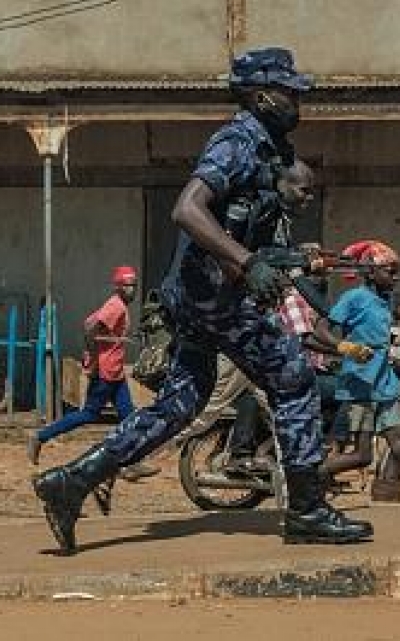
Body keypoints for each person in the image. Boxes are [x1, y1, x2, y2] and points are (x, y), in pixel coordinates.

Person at [31, 47, 373, 553]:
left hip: (201, 295)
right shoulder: (236, 141)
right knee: (295, 378)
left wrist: (280, 258)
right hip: (214, 295)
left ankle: (73, 481)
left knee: (182, 403)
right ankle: (305, 509)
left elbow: (245, 225)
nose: (298, 99)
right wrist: (248, 262)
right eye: (289, 91)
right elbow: (187, 210)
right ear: (262, 96)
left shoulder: (271, 150)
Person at [316, 241, 400, 502]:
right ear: (371, 272)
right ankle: (314, 476)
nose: (395, 276)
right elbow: (321, 331)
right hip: (360, 384)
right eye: (389, 271)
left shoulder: (387, 300)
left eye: (396, 271)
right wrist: (345, 346)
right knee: (363, 456)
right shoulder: (354, 298)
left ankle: (387, 502)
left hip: (385, 383)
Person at [27, 267, 140, 463]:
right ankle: (41, 436)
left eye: (134, 285)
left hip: (115, 371)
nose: (132, 290)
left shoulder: (118, 304)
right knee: (89, 413)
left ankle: (129, 462)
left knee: (128, 416)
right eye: (127, 285)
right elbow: (90, 332)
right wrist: (94, 362)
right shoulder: (116, 306)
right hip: (105, 371)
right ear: (118, 287)